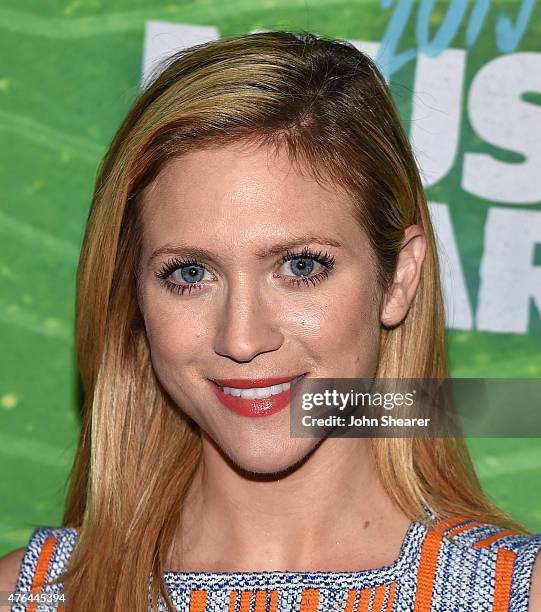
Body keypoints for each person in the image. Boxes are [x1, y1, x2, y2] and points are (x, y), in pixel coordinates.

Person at [1, 30, 540, 612]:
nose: (241, 338)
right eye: (188, 274)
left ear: (399, 278)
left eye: (300, 266)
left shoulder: (516, 594)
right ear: (135, 295)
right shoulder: (30, 597)